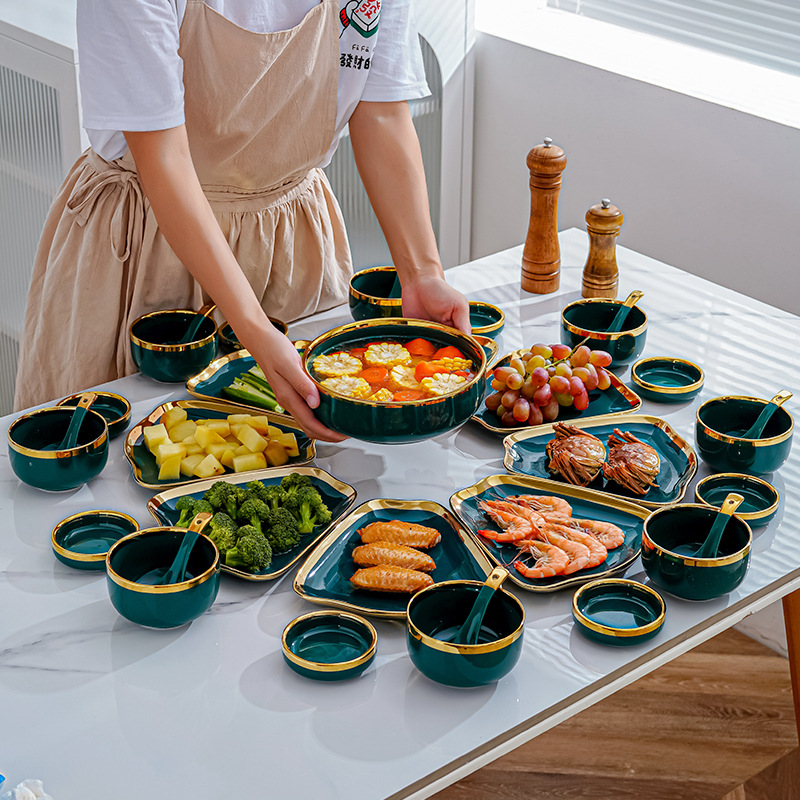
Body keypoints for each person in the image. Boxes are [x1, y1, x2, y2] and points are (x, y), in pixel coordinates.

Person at [13, 0, 470, 440]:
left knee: (310, 472)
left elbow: (383, 113)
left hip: (292, 238)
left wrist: (422, 273)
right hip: (149, 238)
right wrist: (255, 329)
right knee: (132, 453)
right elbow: (164, 158)